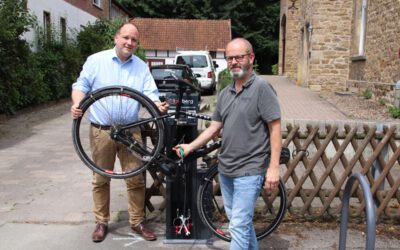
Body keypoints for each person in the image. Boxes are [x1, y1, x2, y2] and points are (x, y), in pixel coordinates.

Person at [174, 38, 282, 250]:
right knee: (241, 224)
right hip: (226, 169)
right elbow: (213, 129)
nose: (234, 62)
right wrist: (189, 147)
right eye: (230, 58)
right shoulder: (225, 93)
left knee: (238, 226)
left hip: (249, 170)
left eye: (239, 57)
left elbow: (275, 129)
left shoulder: (262, 88)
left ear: (250, 58)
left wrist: (273, 167)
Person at [71, 22, 168, 243]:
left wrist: (157, 105)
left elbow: (150, 93)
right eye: (126, 38)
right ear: (116, 38)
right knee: (100, 178)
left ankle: (137, 221)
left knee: (136, 178)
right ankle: (101, 222)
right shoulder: (96, 61)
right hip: (102, 130)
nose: (129, 43)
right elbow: (80, 86)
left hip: (130, 130)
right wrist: (77, 104)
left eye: (134, 40)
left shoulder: (141, 66)